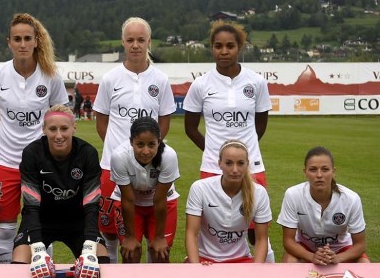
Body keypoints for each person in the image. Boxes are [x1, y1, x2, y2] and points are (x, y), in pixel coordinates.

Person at [183, 20, 275, 263]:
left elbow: (261, 124)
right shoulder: (201, 84)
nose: (224, 51)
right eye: (218, 46)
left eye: (230, 46)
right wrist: (218, 155)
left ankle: (267, 274)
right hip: (212, 168)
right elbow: (190, 128)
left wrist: (241, 156)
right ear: (212, 48)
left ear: (239, 47)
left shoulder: (256, 82)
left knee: (256, 231)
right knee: (209, 227)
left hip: (251, 166)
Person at [0, 13, 68, 264]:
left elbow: (60, 118)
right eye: (17, 39)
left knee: (42, 221)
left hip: (42, 162)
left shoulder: (51, 76)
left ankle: (45, 271)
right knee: (6, 226)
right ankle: (4, 277)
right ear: (9, 42)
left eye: (27, 38)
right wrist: (5, 141)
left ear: (35, 42)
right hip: (4, 161)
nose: (22, 44)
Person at [94, 16, 176, 263]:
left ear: (149, 41)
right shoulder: (110, 79)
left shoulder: (160, 79)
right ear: (123, 42)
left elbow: (164, 122)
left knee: (150, 229)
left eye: (141, 40)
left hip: (148, 164)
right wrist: (120, 151)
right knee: (110, 231)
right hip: (112, 164)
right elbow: (101, 121)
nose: (136, 45)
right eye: (130, 40)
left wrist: (147, 151)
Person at [11, 105, 108, 278]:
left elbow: (91, 205)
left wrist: (88, 249)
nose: (58, 135)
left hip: (77, 221)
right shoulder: (32, 153)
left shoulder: (88, 154)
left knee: (101, 265)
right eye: (52, 129)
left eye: (64, 128)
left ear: (73, 127)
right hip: (40, 220)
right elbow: (31, 205)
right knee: (19, 264)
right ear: (43, 129)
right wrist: (39, 251)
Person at [277, 146, 368, 264]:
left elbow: (360, 245)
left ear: (333, 172)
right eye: (313, 169)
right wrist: (312, 257)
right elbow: (288, 241)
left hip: (341, 249)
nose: (319, 175)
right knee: (289, 261)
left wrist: (337, 258)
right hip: (305, 248)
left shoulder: (351, 199)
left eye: (325, 169)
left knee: (364, 263)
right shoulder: (293, 195)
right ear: (305, 172)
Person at [185, 140, 271, 263]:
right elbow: (191, 233)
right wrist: (196, 266)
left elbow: (261, 239)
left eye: (240, 163)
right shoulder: (200, 188)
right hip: (205, 259)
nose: (235, 170)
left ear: (247, 164)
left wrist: (255, 270)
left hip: (241, 259)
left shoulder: (259, 192)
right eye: (229, 163)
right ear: (219, 164)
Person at [110, 117, 180, 263]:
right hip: (130, 203)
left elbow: (159, 199)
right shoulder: (119, 156)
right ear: (131, 142)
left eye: (151, 144)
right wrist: (129, 237)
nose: (146, 151)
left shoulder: (169, 156)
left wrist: (160, 237)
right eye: (140, 144)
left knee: (160, 253)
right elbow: (128, 199)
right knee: (131, 252)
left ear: (159, 142)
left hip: (162, 202)